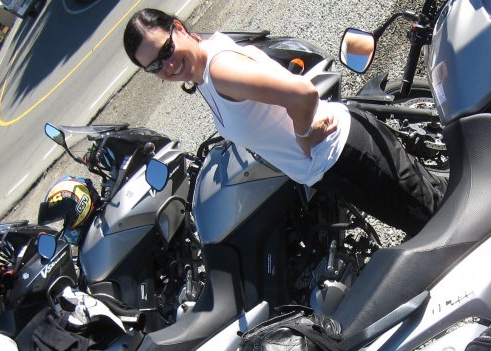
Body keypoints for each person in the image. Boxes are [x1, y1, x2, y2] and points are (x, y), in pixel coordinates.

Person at [122, 9, 444, 235]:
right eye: (155, 67)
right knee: (431, 207)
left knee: (437, 218)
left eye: (166, 50)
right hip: (341, 161)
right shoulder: (204, 69)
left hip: (347, 155)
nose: (167, 66)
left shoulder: (220, 71)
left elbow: (301, 93)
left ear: (178, 28)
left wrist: (303, 134)